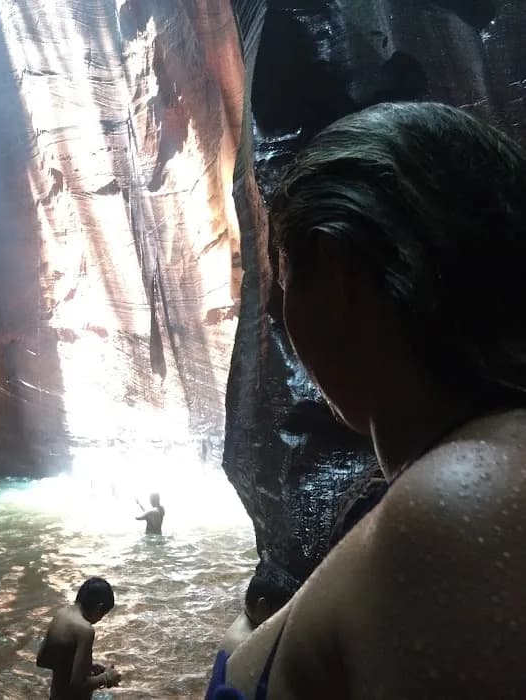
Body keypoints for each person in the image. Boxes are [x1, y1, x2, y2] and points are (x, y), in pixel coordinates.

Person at [207, 102, 526, 699]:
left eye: (284, 279)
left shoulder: (463, 497)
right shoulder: (454, 478)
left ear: (337, 272)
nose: (277, 313)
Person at [37, 577, 122, 698]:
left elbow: (42, 660)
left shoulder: (61, 614)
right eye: (102, 615)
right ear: (99, 608)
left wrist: (87, 666)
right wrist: (107, 677)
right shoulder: (85, 630)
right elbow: (78, 685)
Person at [220, 561, 298, 655]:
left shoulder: (246, 620)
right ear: (262, 606)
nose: (285, 617)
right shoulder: (248, 646)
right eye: (282, 610)